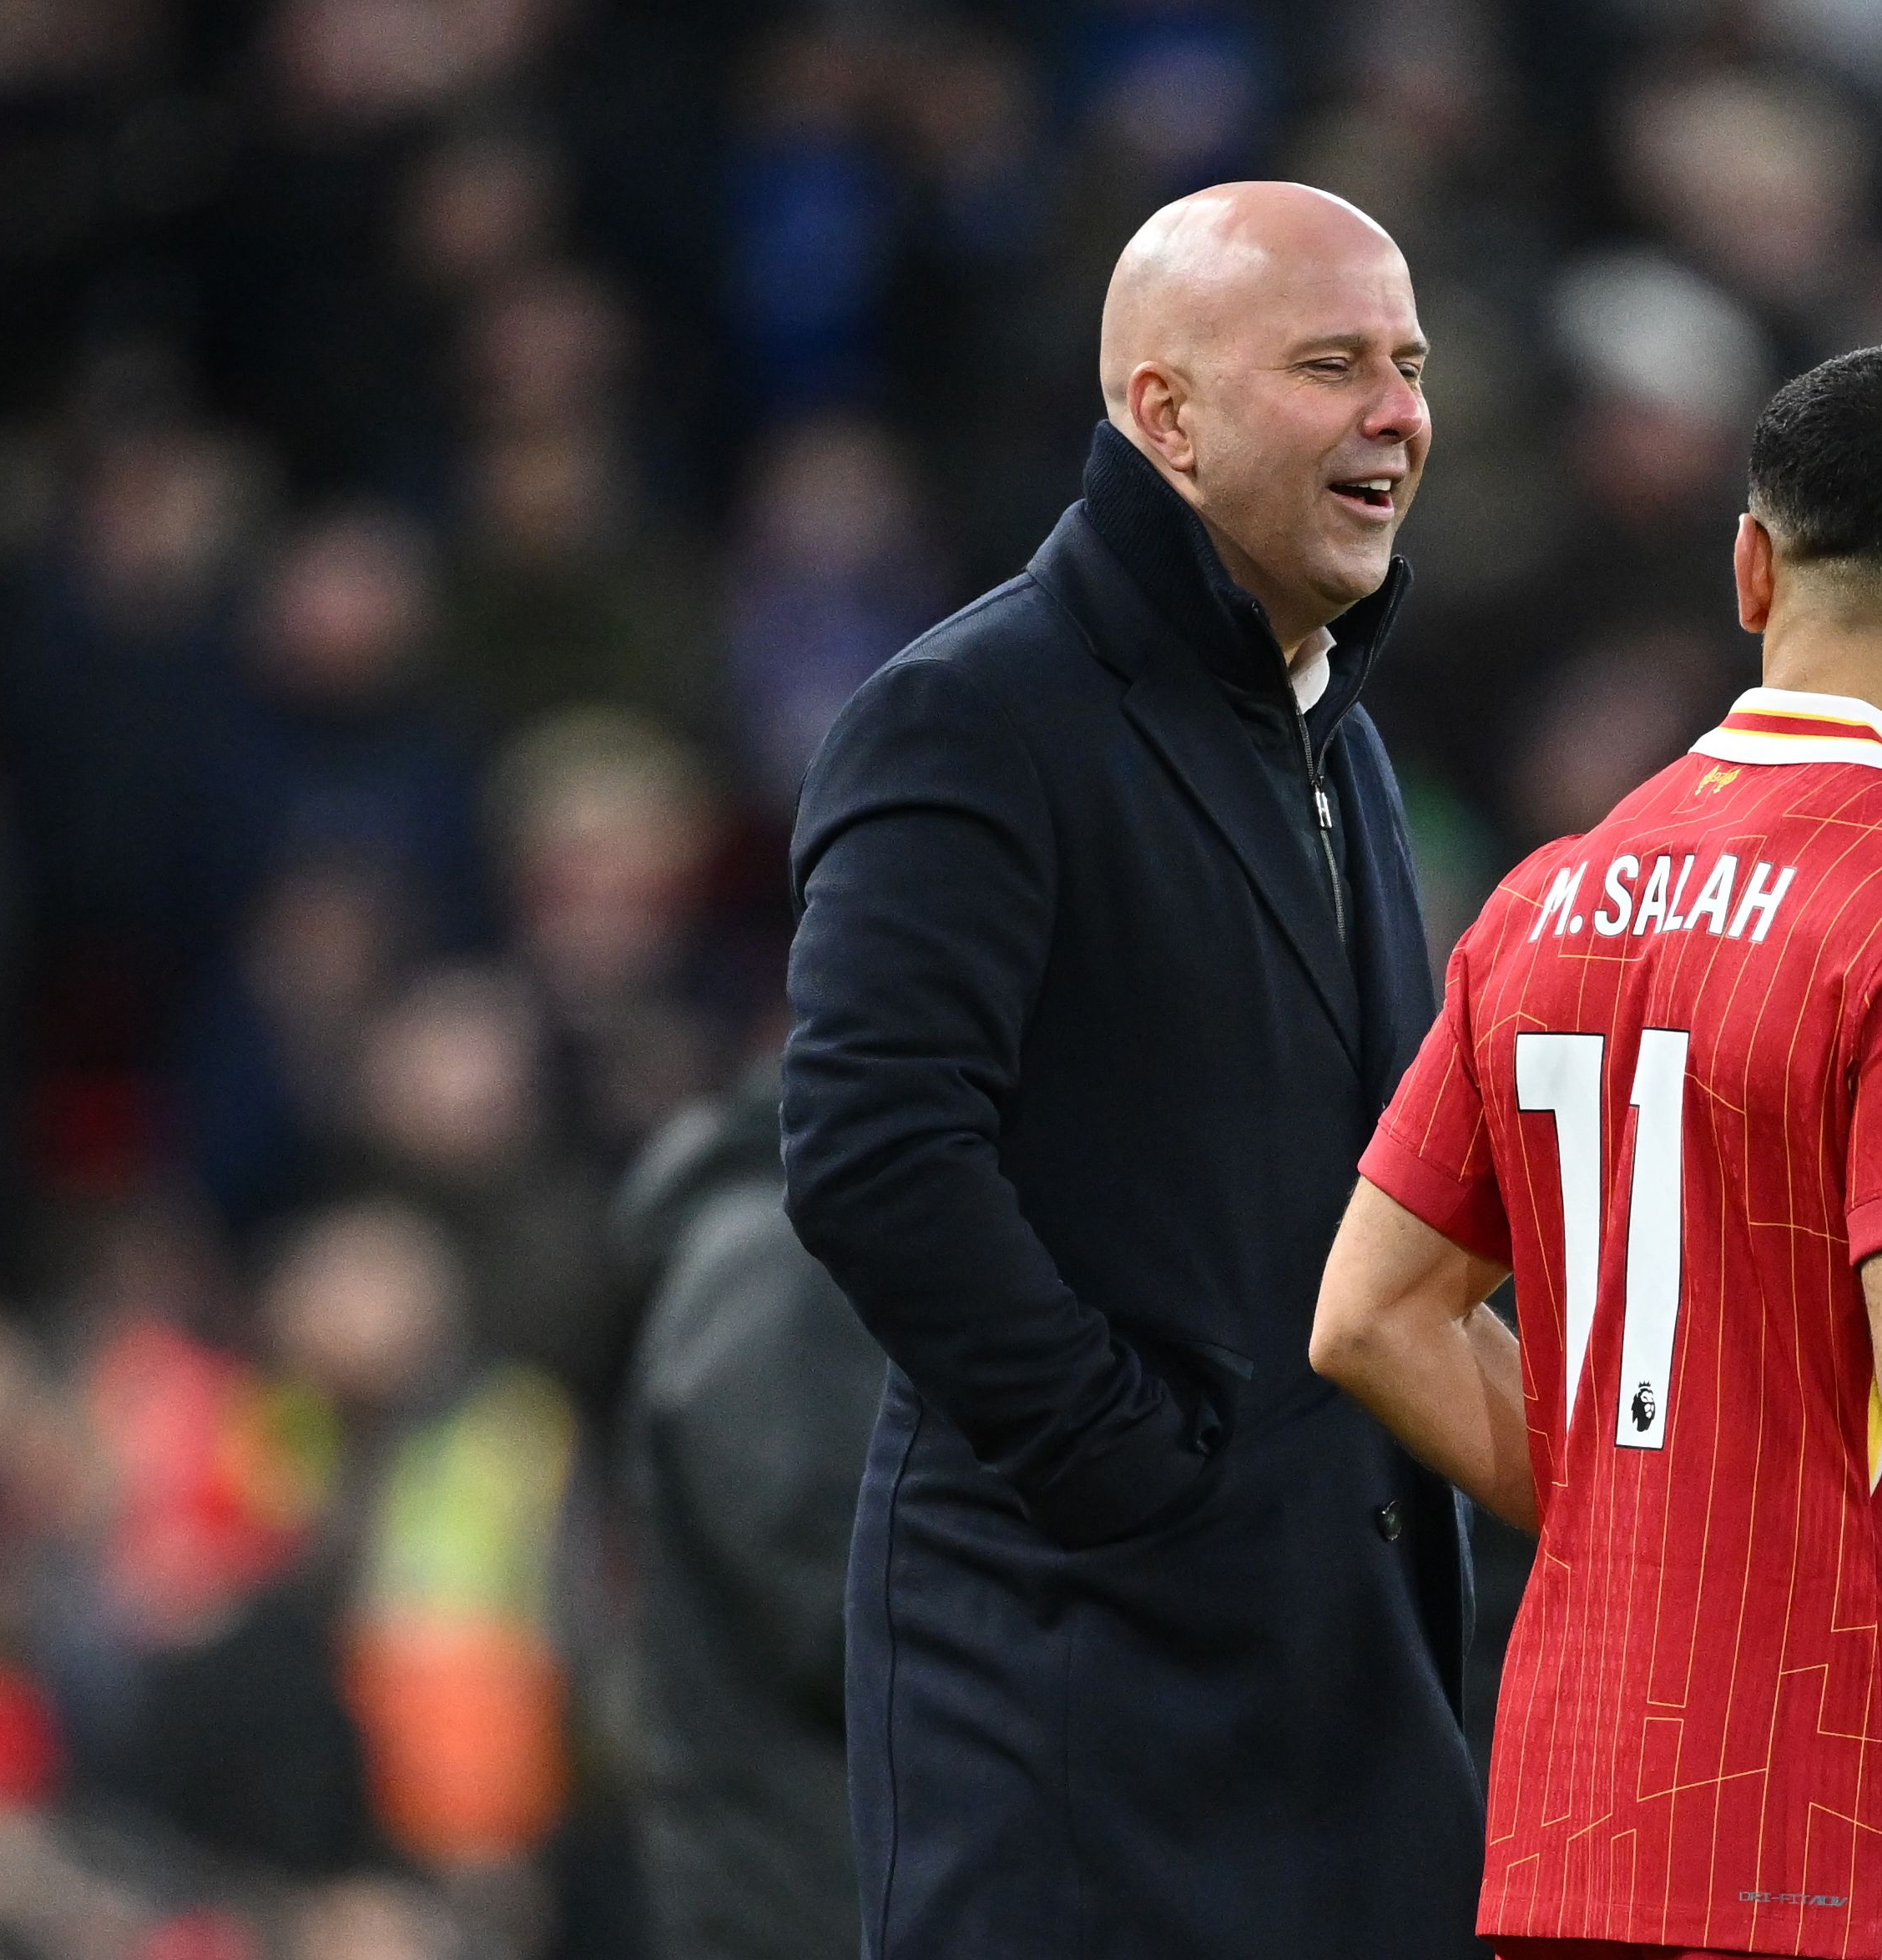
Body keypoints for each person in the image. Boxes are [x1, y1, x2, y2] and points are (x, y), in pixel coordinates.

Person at [1311, 347, 1882, 1960]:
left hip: (1571, 1827)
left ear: (1748, 566)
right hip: (1839, 1830)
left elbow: (1369, 1311)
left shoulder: (1545, 899)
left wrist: (1629, 1503)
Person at [778, 184, 1478, 1957]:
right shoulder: (973, 710)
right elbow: (872, 1151)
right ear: (1164, 416)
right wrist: (1138, 1473)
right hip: (1077, 1694)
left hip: (1345, 1699)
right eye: (1331, 365)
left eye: (1406, 365)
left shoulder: (1347, 748)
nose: (1396, 411)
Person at [615, 1066, 879, 1960]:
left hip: (792, 1859)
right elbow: (814, 1588)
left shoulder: (768, 1250)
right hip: (802, 1877)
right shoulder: (771, 1262)